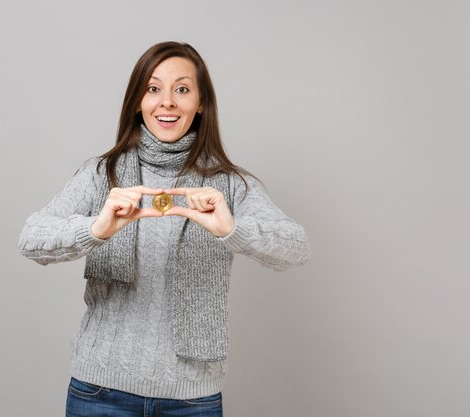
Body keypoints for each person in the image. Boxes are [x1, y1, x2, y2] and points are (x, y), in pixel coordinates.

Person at [18, 41, 311, 417]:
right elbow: (30, 238)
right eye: (153, 88)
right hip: (100, 393)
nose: (167, 102)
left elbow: (296, 248)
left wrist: (232, 229)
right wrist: (97, 228)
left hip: (192, 399)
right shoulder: (101, 174)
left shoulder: (229, 185)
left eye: (183, 89)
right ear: (138, 101)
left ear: (201, 103)